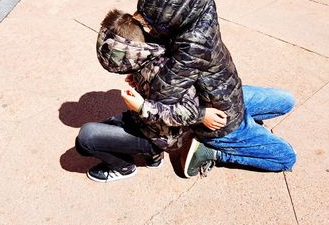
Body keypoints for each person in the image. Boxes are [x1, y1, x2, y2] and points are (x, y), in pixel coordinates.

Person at [121, 0, 297, 177]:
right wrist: (199, 116)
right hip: (219, 121)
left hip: (231, 95)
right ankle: (212, 152)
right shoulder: (201, 7)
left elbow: (164, 87)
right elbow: (163, 100)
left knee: (287, 101)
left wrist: (143, 78)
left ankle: (245, 131)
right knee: (286, 158)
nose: (150, 28)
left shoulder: (192, 37)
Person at [76, 9, 227, 182]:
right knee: (95, 133)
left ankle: (123, 167)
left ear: (129, 53)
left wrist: (142, 106)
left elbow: (186, 108)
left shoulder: (164, 71)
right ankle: (153, 159)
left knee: (86, 138)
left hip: (158, 138)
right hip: (146, 124)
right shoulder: (146, 56)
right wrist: (139, 82)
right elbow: (160, 94)